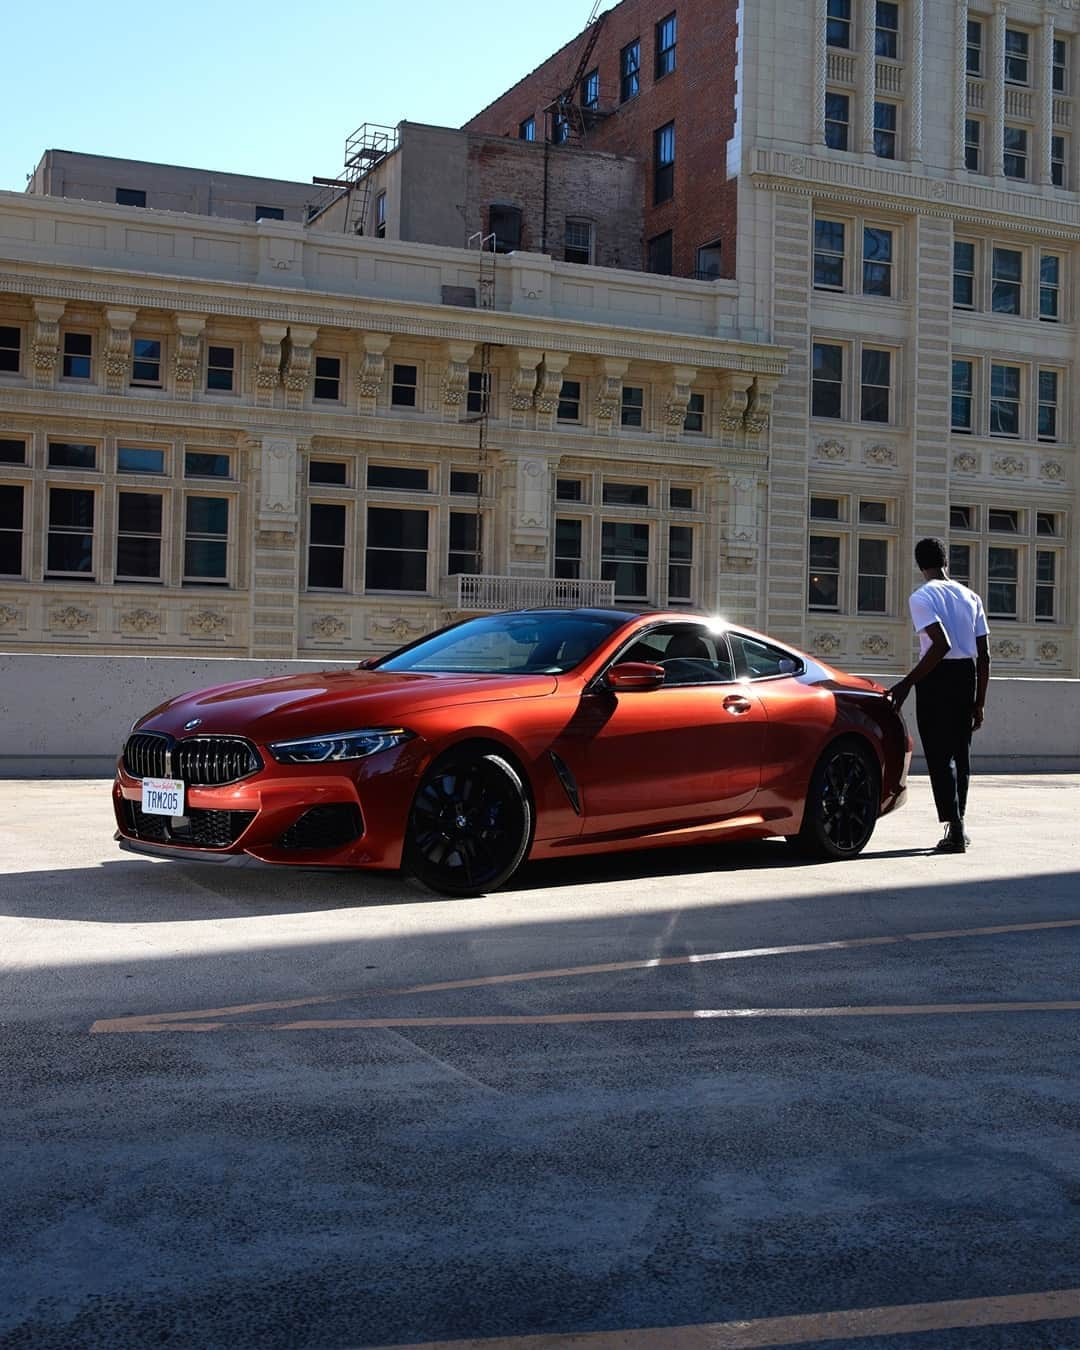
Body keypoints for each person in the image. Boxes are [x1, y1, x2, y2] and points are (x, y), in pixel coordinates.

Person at [888, 537, 990, 853]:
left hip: (935, 677)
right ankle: (958, 824)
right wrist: (980, 702)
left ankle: (955, 830)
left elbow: (940, 645)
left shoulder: (921, 597)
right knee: (961, 753)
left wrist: (905, 684)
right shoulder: (971, 596)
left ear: (920, 565)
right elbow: (984, 655)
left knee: (939, 754)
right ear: (946, 561)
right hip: (966, 676)